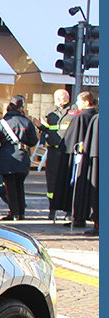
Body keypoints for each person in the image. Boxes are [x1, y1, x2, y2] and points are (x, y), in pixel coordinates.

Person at [53, 92, 98, 230]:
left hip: (79, 158)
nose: (77, 103)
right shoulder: (94, 116)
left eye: (79, 101)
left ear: (86, 102)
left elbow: (70, 141)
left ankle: (78, 216)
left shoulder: (80, 117)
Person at [0, 95, 38, 221]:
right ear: (21, 107)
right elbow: (33, 141)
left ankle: (14, 213)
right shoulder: (27, 122)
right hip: (23, 157)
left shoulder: (2, 122)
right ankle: (21, 212)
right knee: (20, 185)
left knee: (10, 187)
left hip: (8, 158)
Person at [35, 89, 72, 221]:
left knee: (68, 180)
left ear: (67, 97)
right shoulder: (49, 111)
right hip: (53, 151)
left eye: (61, 97)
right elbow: (47, 129)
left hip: (68, 151)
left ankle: (69, 211)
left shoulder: (73, 110)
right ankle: (53, 209)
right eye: (56, 97)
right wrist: (39, 126)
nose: (58, 99)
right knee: (52, 181)